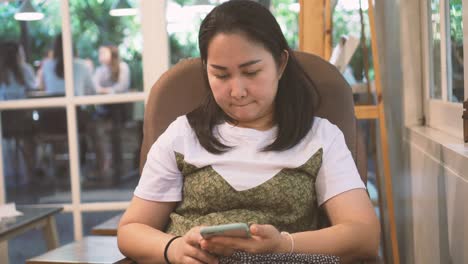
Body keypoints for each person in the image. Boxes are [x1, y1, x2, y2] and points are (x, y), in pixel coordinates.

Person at [117, 1, 380, 263]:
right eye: (221, 75)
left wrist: (284, 245)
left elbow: (364, 235)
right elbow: (131, 230)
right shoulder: (182, 135)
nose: (237, 91)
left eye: (251, 72)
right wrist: (173, 248)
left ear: (280, 64)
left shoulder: (320, 137)